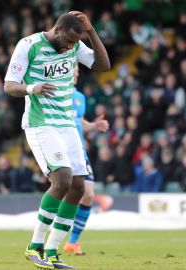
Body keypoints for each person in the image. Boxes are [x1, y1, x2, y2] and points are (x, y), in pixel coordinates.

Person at [4, 11, 110, 269]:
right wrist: (32, 88)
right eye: (69, 41)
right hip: (41, 124)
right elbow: (9, 85)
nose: (71, 48)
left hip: (67, 125)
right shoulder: (28, 45)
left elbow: (104, 66)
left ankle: (53, 252)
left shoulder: (73, 45)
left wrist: (91, 32)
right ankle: (35, 246)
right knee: (61, 179)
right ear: (58, 29)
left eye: (75, 44)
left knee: (78, 187)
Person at [63, 67, 109, 255]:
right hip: (61, 152)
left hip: (80, 153)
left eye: (77, 72)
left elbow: (79, 123)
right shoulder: (56, 95)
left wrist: (94, 126)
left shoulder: (79, 97)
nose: (76, 74)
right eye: (73, 71)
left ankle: (72, 243)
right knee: (64, 194)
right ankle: (48, 238)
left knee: (88, 194)